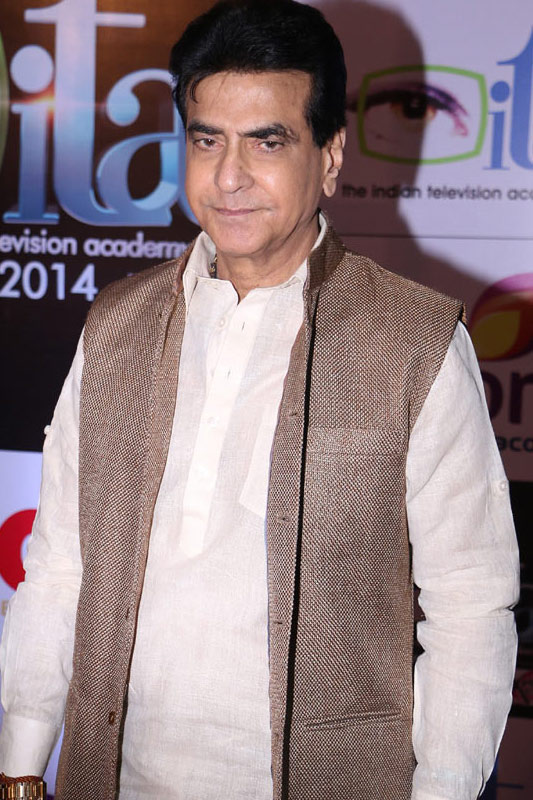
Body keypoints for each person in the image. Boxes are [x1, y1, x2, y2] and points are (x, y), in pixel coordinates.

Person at [0, 1, 519, 799]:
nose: (229, 177)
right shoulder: (115, 325)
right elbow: (61, 565)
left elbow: (469, 607)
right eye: (206, 140)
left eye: (266, 142)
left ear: (330, 156)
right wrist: (20, 763)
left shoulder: (412, 342)